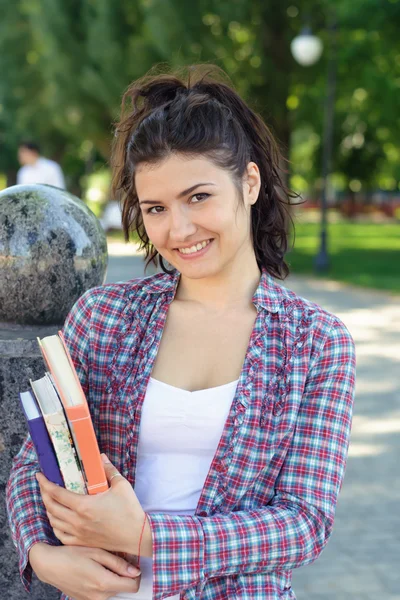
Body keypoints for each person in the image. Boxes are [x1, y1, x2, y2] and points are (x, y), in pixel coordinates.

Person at [6, 64, 356, 600]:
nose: (180, 229)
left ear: (250, 182)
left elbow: (304, 522)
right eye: (156, 208)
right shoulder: (104, 317)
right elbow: (36, 459)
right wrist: (42, 555)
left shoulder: (317, 342)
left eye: (198, 197)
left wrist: (147, 537)